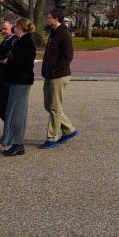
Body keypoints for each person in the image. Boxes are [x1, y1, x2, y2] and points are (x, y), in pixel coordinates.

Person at [39, 9, 78, 149]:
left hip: (59, 75)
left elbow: (68, 56)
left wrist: (56, 69)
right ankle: (69, 129)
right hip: (49, 74)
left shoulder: (64, 34)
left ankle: (52, 137)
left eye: (49, 18)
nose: (47, 20)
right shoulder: (53, 33)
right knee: (48, 105)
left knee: (55, 107)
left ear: (56, 19)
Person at [1, 18, 37, 157]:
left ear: (20, 28)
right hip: (16, 80)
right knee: (13, 111)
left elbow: (26, 63)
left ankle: (18, 144)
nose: (13, 29)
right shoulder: (20, 40)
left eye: (15, 26)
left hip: (21, 81)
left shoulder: (27, 42)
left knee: (17, 112)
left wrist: (9, 61)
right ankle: (15, 142)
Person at [0, 20, 16, 133]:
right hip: (0, 79)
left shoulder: (14, 41)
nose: (2, 31)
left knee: (5, 108)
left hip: (7, 80)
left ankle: (10, 132)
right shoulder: (5, 41)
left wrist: (7, 60)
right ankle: (8, 131)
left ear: (12, 29)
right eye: (2, 29)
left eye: (5, 29)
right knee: (0, 109)